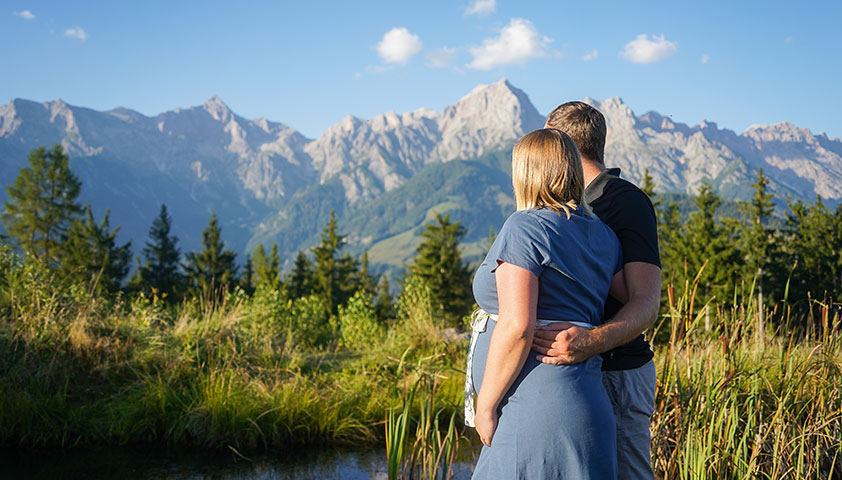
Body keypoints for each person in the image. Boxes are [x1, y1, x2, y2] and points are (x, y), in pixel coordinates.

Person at [466, 128, 626, 479]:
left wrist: (486, 406)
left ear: (525, 172)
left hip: (535, 407)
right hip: (584, 400)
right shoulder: (602, 233)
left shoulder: (525, 227)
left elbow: (517, 327)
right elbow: (626, 296)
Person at [532, 102, 662, 480]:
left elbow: (646, 303)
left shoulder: (621, 200)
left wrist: (590, 342)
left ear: (563, 148)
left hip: (617, 372)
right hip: (578, 372)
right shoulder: (575, 205)